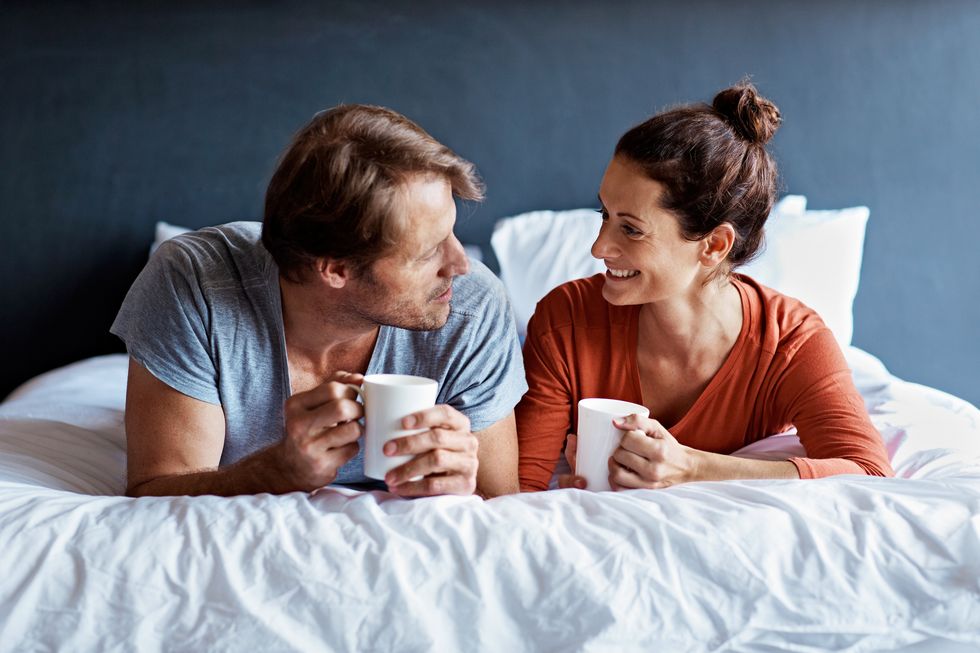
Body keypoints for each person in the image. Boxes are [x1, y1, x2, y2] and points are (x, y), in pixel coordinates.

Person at [112, 104, 526, 499]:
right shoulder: (197, 285)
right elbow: (155, 491)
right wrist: (279, 472)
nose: (460, 265)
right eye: (427, 252)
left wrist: (466, 487)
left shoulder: (471, 308)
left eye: (452, 233)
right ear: (334, 269)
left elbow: (500, 503)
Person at [517, 83, 894, 492]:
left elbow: (868, 473)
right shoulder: (565, 321)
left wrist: (693, 467)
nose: (598, 247)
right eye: (603, 214)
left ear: (714, 245)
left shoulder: (791, 343)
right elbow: (517, 489)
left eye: (630, 229)